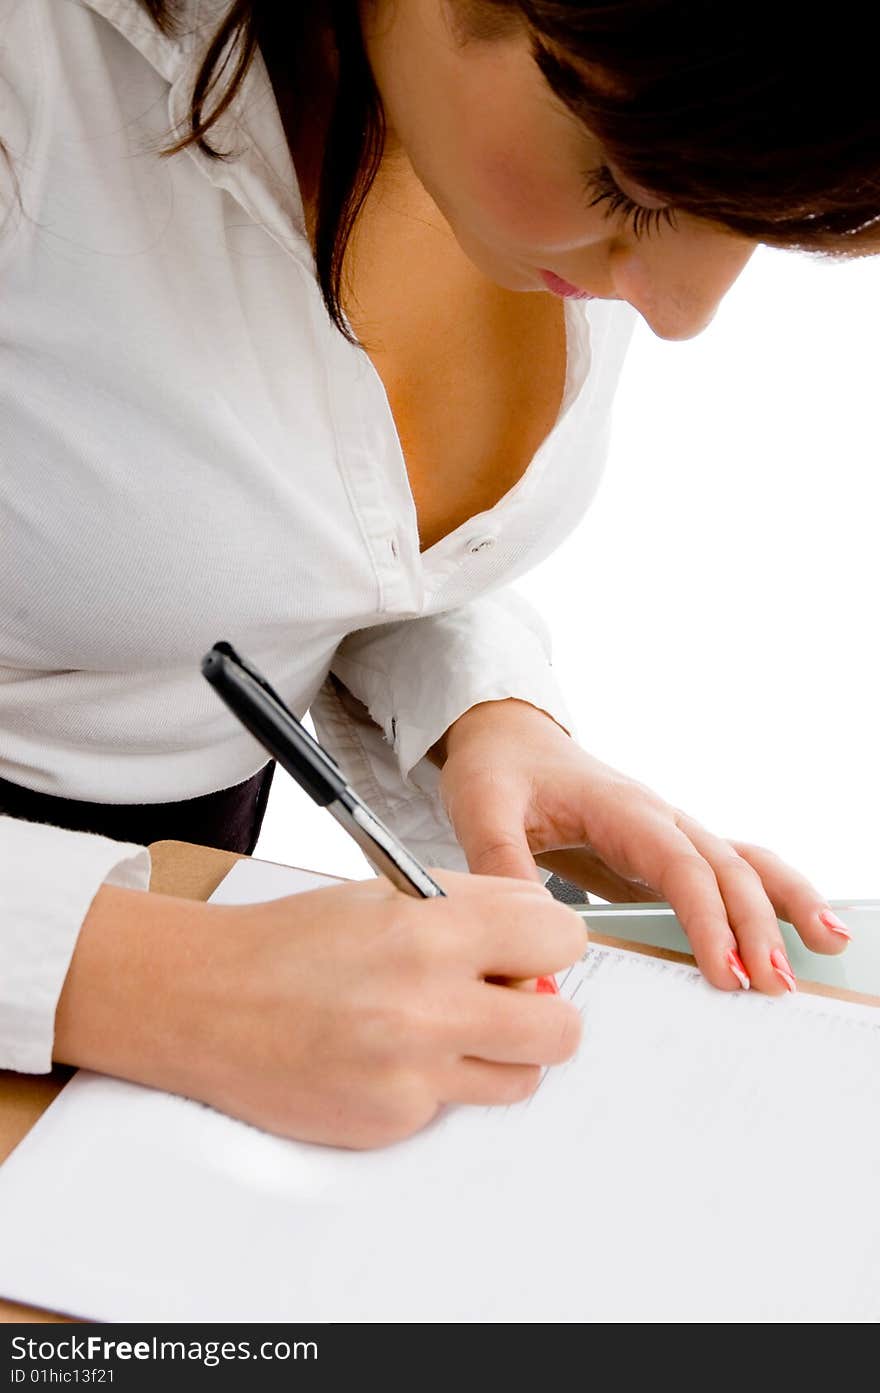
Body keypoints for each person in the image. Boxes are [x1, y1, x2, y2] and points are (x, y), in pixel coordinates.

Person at [0, 0, 872, 1149]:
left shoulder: (563, 101)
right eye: (629, 190)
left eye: (752, 222)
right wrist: (141, 980)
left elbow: (171, 503)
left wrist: (480, 717)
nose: (679, 315)